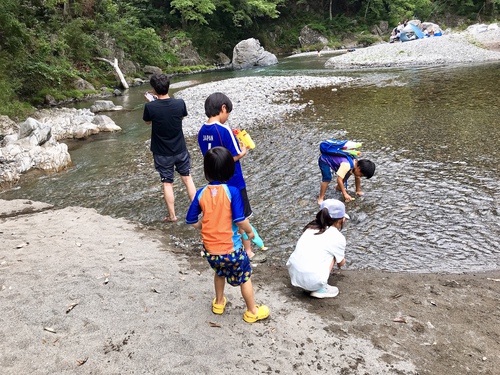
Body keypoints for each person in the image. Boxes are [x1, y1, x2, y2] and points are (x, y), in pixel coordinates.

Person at [186, 147, 270, 323]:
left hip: (211, 250)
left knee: (220, 272)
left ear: (206, 170)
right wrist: (249, 231)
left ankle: (218, 303)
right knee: (245, 276)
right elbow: (240, 220)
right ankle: (252, 311)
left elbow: (191, 219)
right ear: (230, 170)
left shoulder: (201, 193)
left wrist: (205, 226)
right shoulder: (232, 192)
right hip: (231, 250)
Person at [197, 92, 259, 258]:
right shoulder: (224, 129)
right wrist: (244, 149)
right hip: (234, 181)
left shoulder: (202, 131)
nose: (227, 117)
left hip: (213, 181)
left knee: (220, 214)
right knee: (242, 215)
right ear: (223, 108)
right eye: (228, 113)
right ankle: (247, 250)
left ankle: (216, 244)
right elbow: (234, 155)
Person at [143, 73, 196, 223]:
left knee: (167, 183)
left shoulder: (149, 106)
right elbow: (181, 117)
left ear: (153, 89)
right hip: (180, 148)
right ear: (168, 86)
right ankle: (197, 210)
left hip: (162, 152)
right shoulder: (179, 103)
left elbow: (147, 122)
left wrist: (152, 102)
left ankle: (172, 216)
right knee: (187, 178)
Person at [286, 199, 349, 298]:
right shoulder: (337, 236)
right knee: (334, 255)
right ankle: (320, 288)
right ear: (342, 219)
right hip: (312, 281)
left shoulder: (310, 227)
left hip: (294, 275)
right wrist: (341, 256)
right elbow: (341, 263)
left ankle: (309, 284)